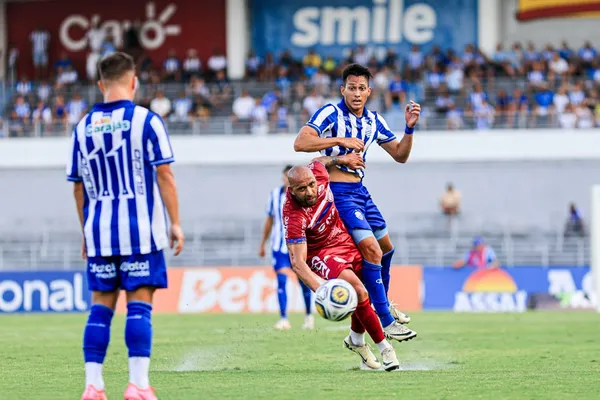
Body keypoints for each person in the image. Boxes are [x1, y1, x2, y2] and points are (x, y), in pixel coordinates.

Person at [66, 52, 184, 400]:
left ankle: (93, 386)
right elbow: (165, 174)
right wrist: (176, 222)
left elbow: (77, 186)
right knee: (139, 306)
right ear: (134, 82)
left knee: (100, 307)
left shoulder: (83, 126)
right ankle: (137, 385)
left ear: (100, 84)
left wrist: (86, 230)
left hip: (100, 231)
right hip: (141, 230)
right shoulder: (147, 121)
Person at [293, 63, 419, 337]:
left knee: (386, 249)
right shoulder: (330, 112)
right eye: (352, 88)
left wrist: (409, 130)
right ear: (343, 90)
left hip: (361, 193)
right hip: (337, 193)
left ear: (369, 91)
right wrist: (342, 141)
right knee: (372, 251)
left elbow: (400, 155)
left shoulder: (375, 120)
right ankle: (385, 319)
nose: (357, 93)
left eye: (362, 88)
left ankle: (381, 304)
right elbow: (301, 142)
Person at [283, 157, 406, 371]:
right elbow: (298, 262)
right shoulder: (294, 216)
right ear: (292, 191)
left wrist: (342, 159)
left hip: (343, 239)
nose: (310, 192)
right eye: (302, 189)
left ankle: (356, 340)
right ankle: (386, 348)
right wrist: (322, 289)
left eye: (312, 185)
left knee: (365, 287)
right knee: (359, 291)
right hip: (321, 254)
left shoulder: (319, 173)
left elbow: (320, 160)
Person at [259, 165, 314, 330]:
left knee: (303, 281)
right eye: (285, 177)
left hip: (298, 244)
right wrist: (263, 243)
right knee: (281, 280)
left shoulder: (304, 195)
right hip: (279, 246)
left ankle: (309, 316)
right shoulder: (274, 195)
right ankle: (284, 318)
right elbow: (269, 220)